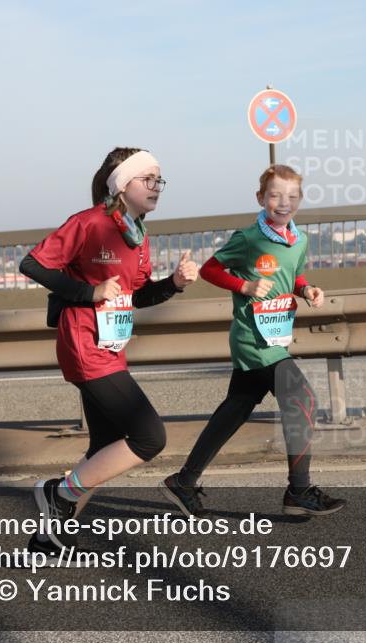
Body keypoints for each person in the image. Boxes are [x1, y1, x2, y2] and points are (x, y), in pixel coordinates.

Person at [19, 147, 198, 554]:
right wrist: (89, 291)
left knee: (103, 448)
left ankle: (46, 539)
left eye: (159, 180)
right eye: (147, 179)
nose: (157, 187)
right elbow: (32, 264)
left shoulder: (137, 235)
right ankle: (58, 495)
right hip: (85, 345)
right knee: (149, 437)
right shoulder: (89, 224)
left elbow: (137, 296)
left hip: (110, 346)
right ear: (122, 185)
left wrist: (174, 283)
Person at [161, 165, 345, 518]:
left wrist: (306, 288)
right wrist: (243, 286)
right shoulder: (247, 239)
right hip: (252, 338)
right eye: (275, 195)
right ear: (261, 198)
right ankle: (299, 490)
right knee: (302, 397)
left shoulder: (299, 239)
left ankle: (184, 482)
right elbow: (213, 269)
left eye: (292, 196)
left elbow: (292, 274)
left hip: (276, 336)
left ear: (300, 200)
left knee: (236, 407)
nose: (283, 203)